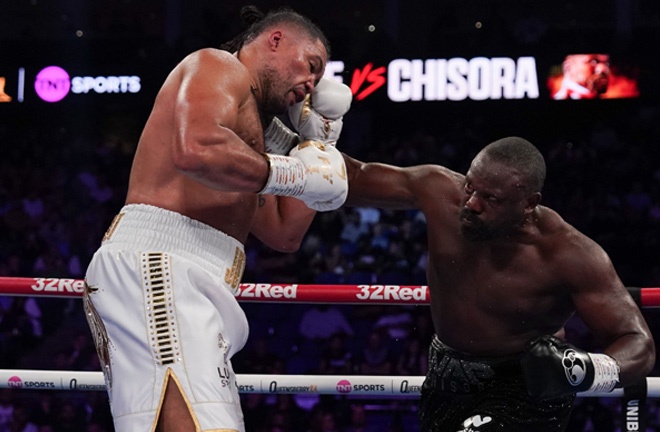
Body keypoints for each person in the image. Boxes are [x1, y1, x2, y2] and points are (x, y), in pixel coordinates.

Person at [83, 5, 352, 431]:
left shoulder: (251, 142)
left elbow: (284, 233)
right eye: (311, 66)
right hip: (163, 263)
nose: (311, 86)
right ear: (276, 40)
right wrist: (290, 171)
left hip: (194, 278)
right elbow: (196, 150)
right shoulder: (217, 65)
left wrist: (316, 146)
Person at [342, 136, 655, 431]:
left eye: (490, 198)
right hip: (445, 375)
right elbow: (354, 177)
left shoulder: (569, 255)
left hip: (524, 387)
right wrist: (303, 140)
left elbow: (637, 344)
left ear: (529, 203)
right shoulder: (438, 190)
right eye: (469, 187)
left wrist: (584, 372)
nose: (472, 204)